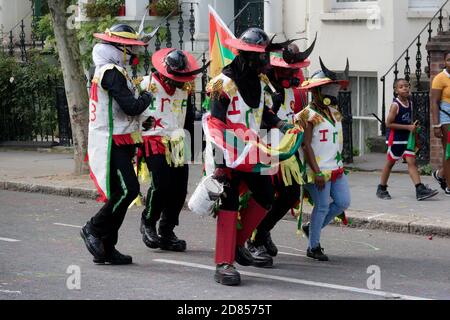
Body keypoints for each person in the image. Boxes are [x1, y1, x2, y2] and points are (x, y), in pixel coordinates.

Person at [205, 27, 294, 285]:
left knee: (266, 197)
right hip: (226, 154)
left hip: (252, 152)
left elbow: (262, 113)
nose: (266, 62)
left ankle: (237, 243)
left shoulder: (260, 81)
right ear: (248, 55)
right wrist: (220, 164)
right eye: (262, 56)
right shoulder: (223, 84)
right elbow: (215, 126)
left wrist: (281, 124)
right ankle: (224, 264)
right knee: (229, 203)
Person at [81, 24, 153, 265]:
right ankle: (93, 228)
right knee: (128, 190)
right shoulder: (110, 71)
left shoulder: (113, 70)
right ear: (118, 48)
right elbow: (130, 106)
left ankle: (106, 246)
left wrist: (143, 118)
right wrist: (147, 97)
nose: (133, 53)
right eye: (129, 48)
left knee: (119, 193)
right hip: (111, 141)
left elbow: (125, 110)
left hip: (120, 138)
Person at [247, 41, 314, 264]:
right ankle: (250, 240)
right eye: (288, 69)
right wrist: (273, 110)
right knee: (261, 197)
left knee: (292, 194)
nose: (293, 74)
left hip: (285, 149)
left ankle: (262, 231)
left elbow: (289, 116)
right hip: (262, 147)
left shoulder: (290, 90)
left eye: (295, 69)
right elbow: (255, 122)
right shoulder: (261, 86)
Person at [138, 48, 207, 252]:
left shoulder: (185, 87)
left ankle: (167, 231)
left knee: (179, 189)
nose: (179, 80)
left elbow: (186, 116)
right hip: (153, 139)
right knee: (161, 184)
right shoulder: (145, 84)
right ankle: (148, 221)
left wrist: (194, 142)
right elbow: (132, 112)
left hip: (178, 140)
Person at [297, 58, 351, 262]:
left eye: (333, 89)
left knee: (343, 202)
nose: (332, 94)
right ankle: (314, 246)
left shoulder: (334, 112)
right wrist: (317, 172)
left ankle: (312, 229)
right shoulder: (307, 115)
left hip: (336, 168)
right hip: (317, 170)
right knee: (321, 207)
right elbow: (306, 145)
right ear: (317, 92)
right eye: (327, 89)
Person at [376, 78, 438, 201]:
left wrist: (414, 127)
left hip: (407, 138)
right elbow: (388, 124)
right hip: (396, 139)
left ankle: (419, 189)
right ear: (396, 90)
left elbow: (407, 121)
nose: (404, 88)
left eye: (406, 86)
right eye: (401, 86)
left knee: (412, 162)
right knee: (390, 163)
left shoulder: (410, 103)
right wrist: (408, 127)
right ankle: (382, 188)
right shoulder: (395, 105)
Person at [431, 51, 450, 196]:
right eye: (449, 60)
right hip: (446, 118)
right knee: (449, 152)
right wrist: (436, 125)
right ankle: (449, 185)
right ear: (444, 61)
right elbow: (434, 103)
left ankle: (440, 174)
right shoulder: (440, 78)